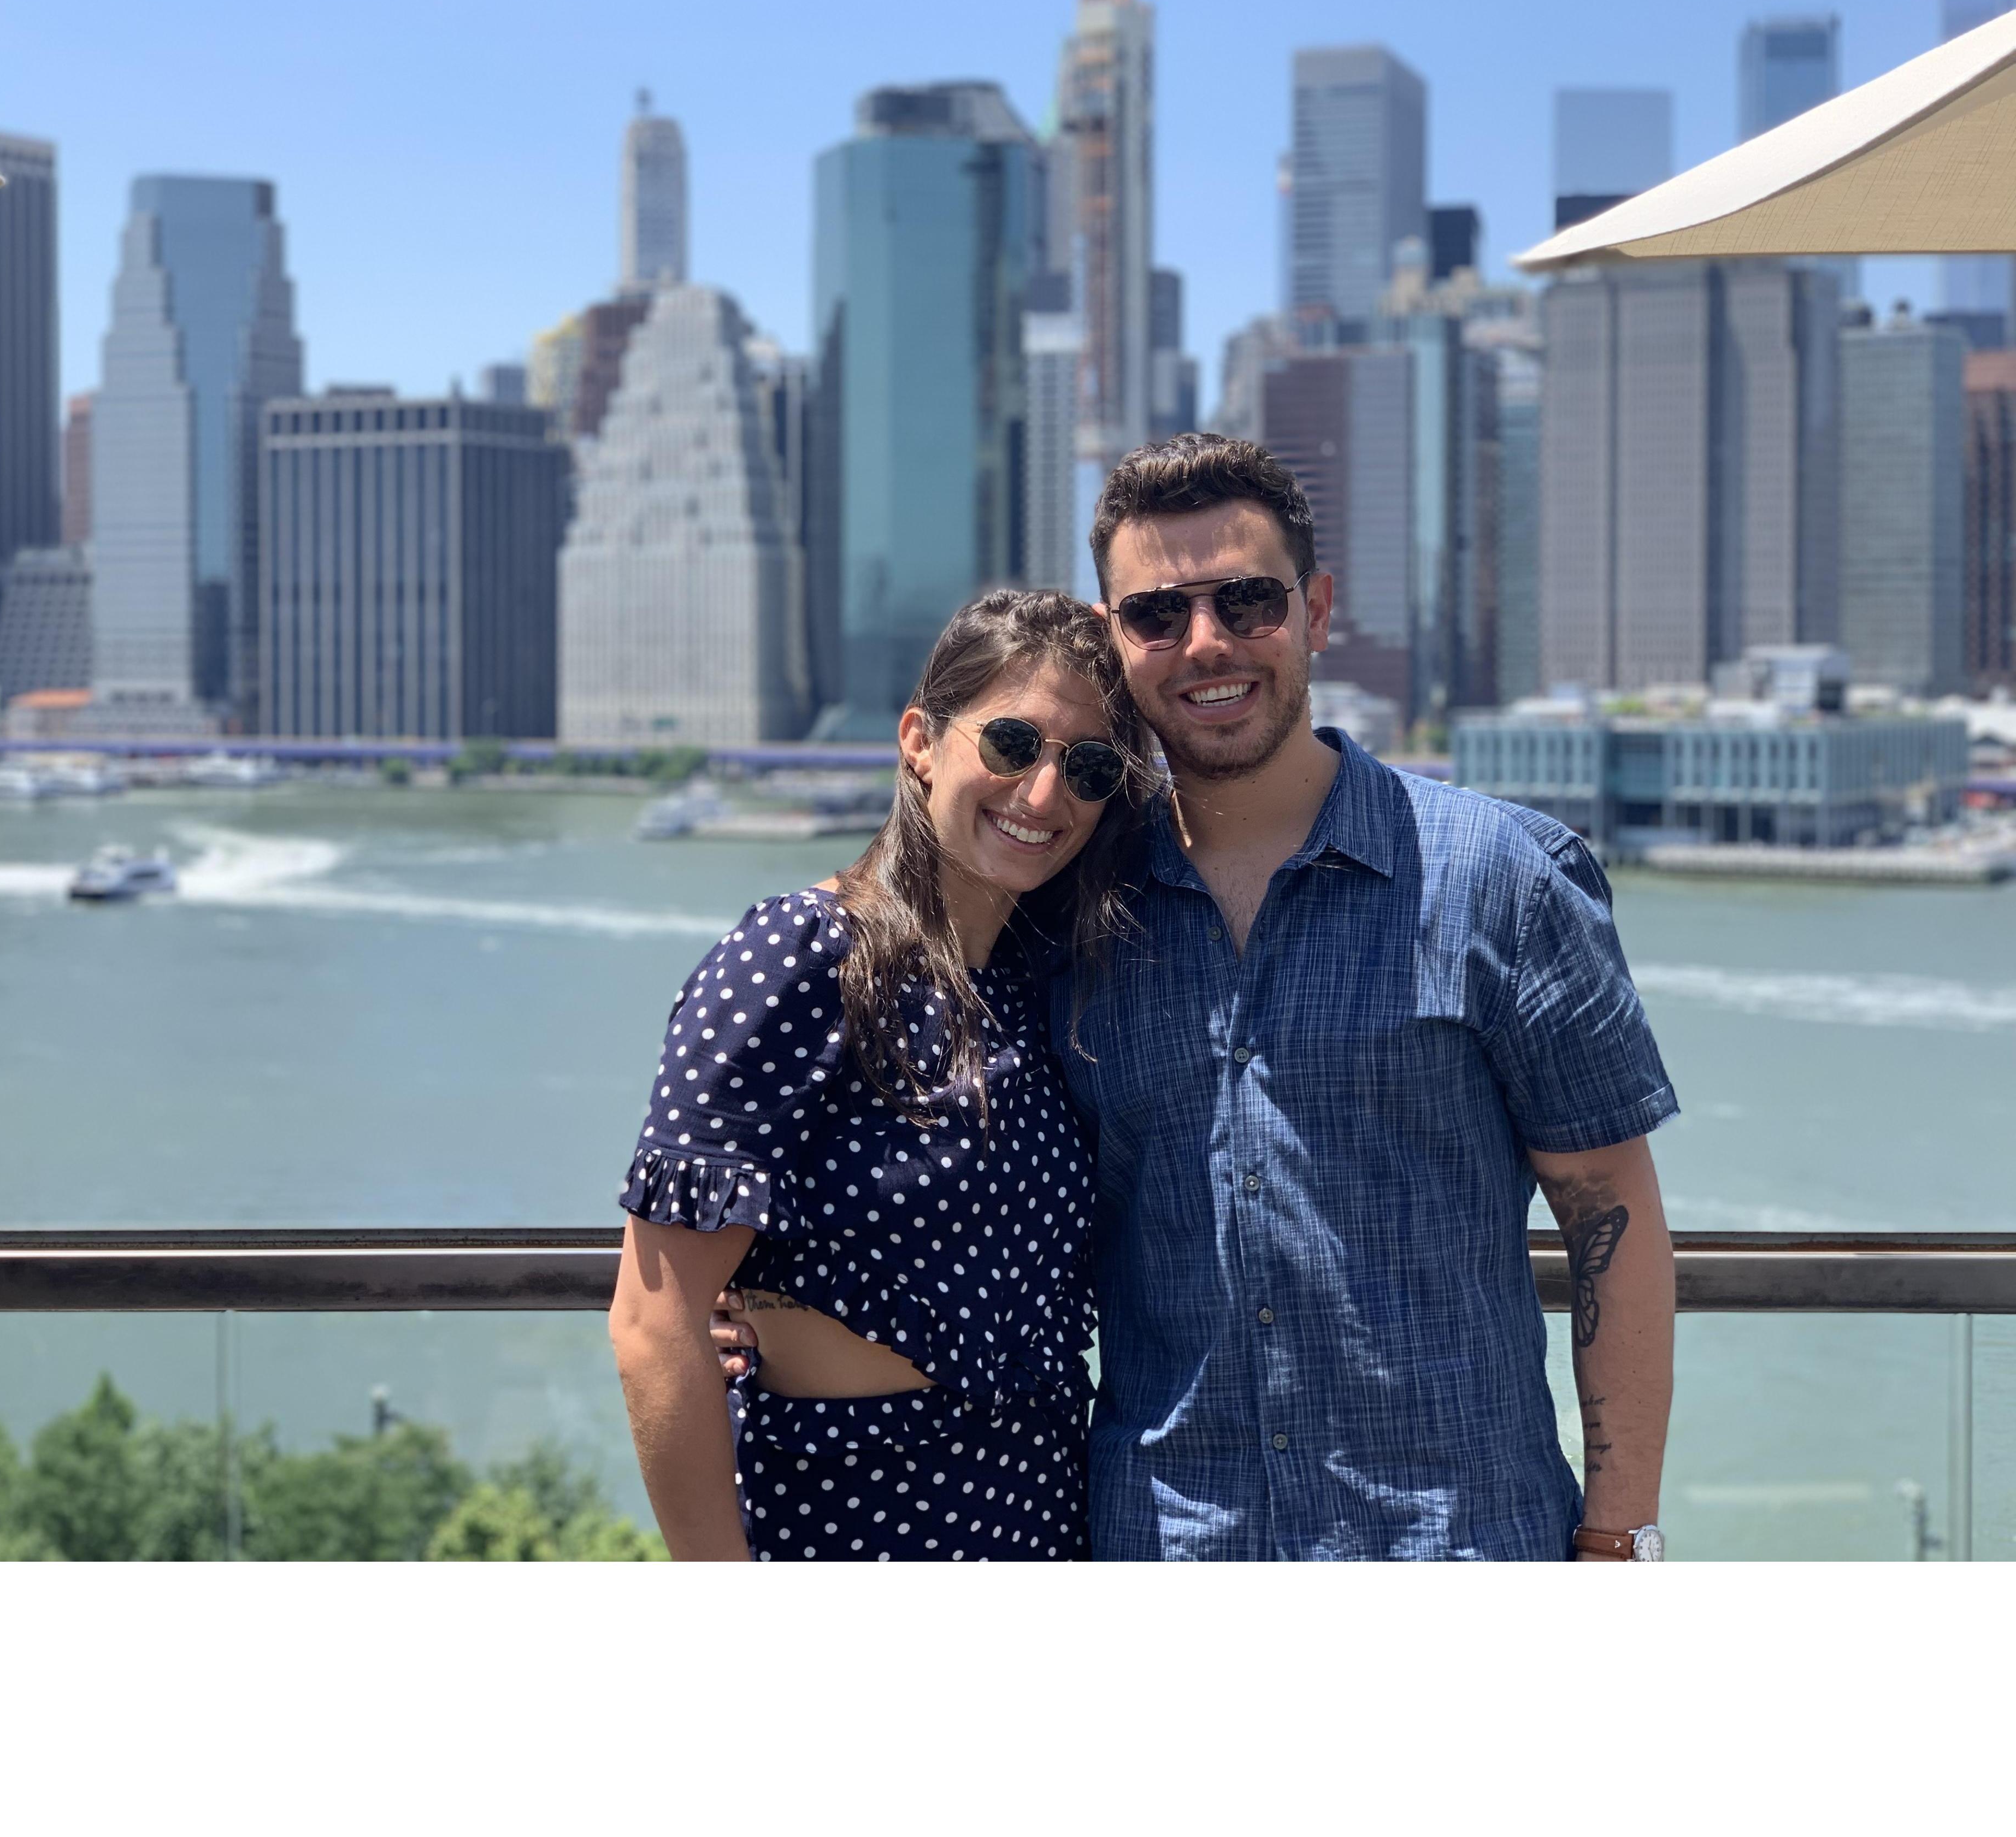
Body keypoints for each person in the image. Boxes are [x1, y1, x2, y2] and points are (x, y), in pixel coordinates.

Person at [713, 436, 1679, 1562]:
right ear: (1115, 636)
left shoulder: (1501, 878)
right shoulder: (1060, 904)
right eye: (1159, 614)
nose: (1206, 643)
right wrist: (765, 1308)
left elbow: (1612, 1214)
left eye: (1247, 601)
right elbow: (935, 1145)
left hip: (1458, 1541)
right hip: (1160, 1546)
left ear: (1316, 610)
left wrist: (1620, 1537)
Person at [609, 588, 1153, 1560]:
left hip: (1039, 1513)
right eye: (1013, 745)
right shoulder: (804, 955)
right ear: (919, 741)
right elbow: (655, 1321)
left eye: (1090, 767)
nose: (1042, 796)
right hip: (853, 1514)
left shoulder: (1037, 985)